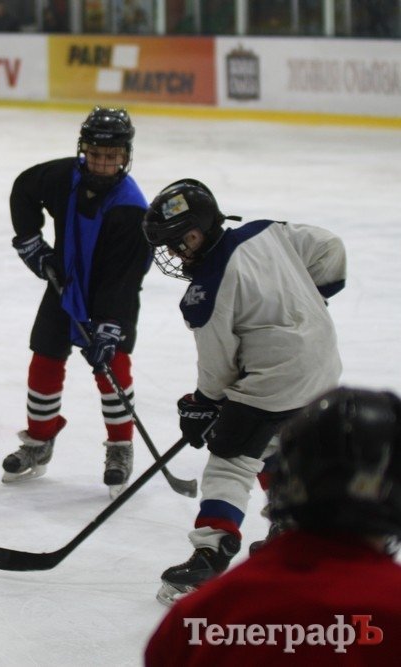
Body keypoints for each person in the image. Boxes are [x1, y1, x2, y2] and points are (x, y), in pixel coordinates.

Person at [142, 179, 346, 604]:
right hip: (324, 365)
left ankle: (210, 551)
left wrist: (204, 404)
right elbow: (329, 246)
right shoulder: (267, 230)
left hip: (276, 379)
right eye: (173, 245)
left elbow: (217, 364)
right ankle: (292, 525)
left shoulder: (205, 291)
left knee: (231, 458)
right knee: (272, 440)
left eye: (184, 240)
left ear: (205, 224)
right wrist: (312, 299)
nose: (179, 252)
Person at [145, 386, 401, 665]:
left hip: (261, 395)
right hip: (299, 381)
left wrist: (206, 397)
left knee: (230, 458)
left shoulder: (198, 615)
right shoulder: (391, 607)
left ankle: (215, 541)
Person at [1, 106, 150, 498]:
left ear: (125, 156)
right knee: (45, 358)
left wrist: (109, 324)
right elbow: (23, 190)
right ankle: (39, 440)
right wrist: (31, 242)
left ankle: (120, 447)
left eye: (111, 156)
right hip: (63, 283)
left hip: (110, 295)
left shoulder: (132, 208)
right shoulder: (62, 176)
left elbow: (126, 276)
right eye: (96, 154)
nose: (102, 164)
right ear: (84, 149)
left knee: (111, 366)